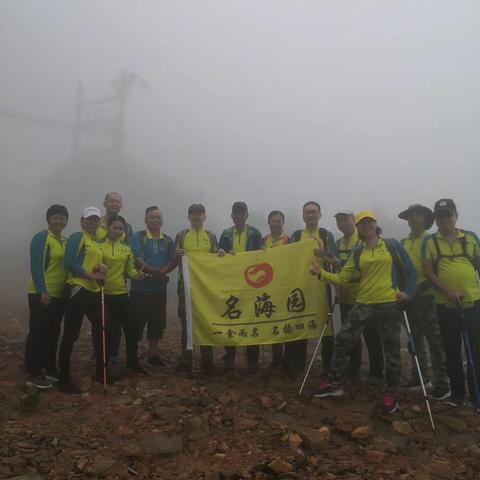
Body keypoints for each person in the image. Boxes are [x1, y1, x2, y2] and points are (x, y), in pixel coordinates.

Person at [311, 210, 416, 414]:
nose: (365, 226)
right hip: (364, 301)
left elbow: (411, 271)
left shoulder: (392, 245)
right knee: (343, 338)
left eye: (369, 222)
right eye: (361, 224)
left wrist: (408, 292)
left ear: (376, 224)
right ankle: (333, 384)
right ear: (357, 227)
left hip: (388, 302)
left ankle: (392, 395)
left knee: (391, 348)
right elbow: (342, 277)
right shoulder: (358, 251)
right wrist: (320, 273)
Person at [422, 199, 480, 407]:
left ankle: (476, 396)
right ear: (436, 219)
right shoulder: (429, 242)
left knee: (475, 350)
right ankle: (457, 395)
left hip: (473, 303)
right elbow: (428, 272)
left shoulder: (471, 237)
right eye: (440, 215)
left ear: (456, 215)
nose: (444, 218)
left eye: (448, 214)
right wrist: (448, 291)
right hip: (445, 304)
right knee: (452, 350)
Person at [399, 204, 450, 399]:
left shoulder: (432, 240)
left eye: (418, 215)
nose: (414, 219)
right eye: (411, 215)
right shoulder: (403, 242)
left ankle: (442, 382)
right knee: (415, 340)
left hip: (430, 297)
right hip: (408, 298)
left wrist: (416, 290)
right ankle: (420, 378)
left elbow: (436, 269)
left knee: (435, 340)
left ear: (426, 219)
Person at [58, 207, 107, 394]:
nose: (93, 222)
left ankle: (102, 372)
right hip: (77, 288)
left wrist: (99, 267)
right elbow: (69, 262)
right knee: (72, 332)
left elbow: (88, 262)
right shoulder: (77, 237)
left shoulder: (94, 240)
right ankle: (64, 378)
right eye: (90, 219)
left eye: (96, 220)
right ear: (82, 221)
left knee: (101, 327)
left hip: (92, 290)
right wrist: (91, 275)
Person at [333, 210, 384, 384]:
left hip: (367, 297)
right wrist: (337, 289)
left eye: (345, 220)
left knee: (372, 336)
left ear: (352, 221)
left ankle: (376, 372)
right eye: (339, 221)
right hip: (346, 296)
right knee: (351, 337)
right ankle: (353, 370)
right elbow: (336, 269)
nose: (342, 223)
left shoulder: (362, 238)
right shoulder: (338, 242)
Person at [287, 201, 335, 374]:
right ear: (303, 215)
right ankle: (298, 363)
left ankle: (328, 365)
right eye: (307, 212)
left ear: (320, 215)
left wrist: (324, 254)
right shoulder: (296, 235)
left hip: (322, 286)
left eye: (314, 212)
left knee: (326, 326)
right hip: (300, 286)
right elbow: (288, 258)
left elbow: (335, 259)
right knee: (300, 322)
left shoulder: (325, 234)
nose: (311, 215)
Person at [97, 215, 148, 376]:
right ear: (107, 228)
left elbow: (129, 270)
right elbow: (90, 267)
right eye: (115, 227)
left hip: (122, 293)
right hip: (104, 294)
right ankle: (105, 365)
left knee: (133, 327)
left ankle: (132, 362)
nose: (118, 231)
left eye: (121, 229)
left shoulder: (126, 249)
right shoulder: (97, 247)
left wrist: (138, 275)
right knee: (109, 330)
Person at [25, 204, 69, 389]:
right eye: (55, 217)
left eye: (62, 218)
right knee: (38, 331)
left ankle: (49, 368)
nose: (59, 221)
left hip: (59, 294)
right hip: (41, 293)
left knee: (53, 331)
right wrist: (43, 290)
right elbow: (36, 265)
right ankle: (33, 372)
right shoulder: (42, 237)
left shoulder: (65, 240)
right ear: (48, 219)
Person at [174, 204, 220, 375]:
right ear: (188, 217)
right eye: (193, 214)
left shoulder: (211, 235)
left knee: (206, 322)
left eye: (200, 214)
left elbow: (216, 259)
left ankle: (207, 362)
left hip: (205, 287)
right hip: (184, 286)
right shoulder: (182, 235)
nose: (196, 217)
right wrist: (177, 256)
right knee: (186, 324)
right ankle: (187, 360)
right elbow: (175, 260)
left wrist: (220, 254)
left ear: (204, 217)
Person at [219, 201, 263, 375]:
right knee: (231, 319)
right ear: (232, 216)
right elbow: (219, 254)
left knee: (252, 320)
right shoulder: (225, 233)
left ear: (246, 215)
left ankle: (252, 360)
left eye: (242, 213)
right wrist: (222, 253)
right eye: (236, 214)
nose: (239, 216)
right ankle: (229, 359)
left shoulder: (255, 233)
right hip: (231, 284)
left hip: (250, 285)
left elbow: (261, 253)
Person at [130, 206, 176, 368]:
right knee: (136, 323)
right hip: (140, 289)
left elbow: (173, 259)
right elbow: (136, 258)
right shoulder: (138, 236)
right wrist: (154, 271)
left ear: (162, 220)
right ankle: (132, 357)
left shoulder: (168, 240)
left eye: (158, 217)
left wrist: (164, 271)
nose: (155, 220)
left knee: (157, 323)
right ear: (145, 219)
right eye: (152, 217)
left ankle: (153, 354)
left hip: (159, 290)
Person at [263, 210, 290, 369]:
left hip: (285, 287)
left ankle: (287, 359)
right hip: (268, 288)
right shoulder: (263, 240)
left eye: (279, 221)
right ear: (268, 222)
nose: (276, 224)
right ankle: (276, 358)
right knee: (273, 323)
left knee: (286, 323)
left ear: (283, 223)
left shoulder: (289, 240)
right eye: (273, 221)